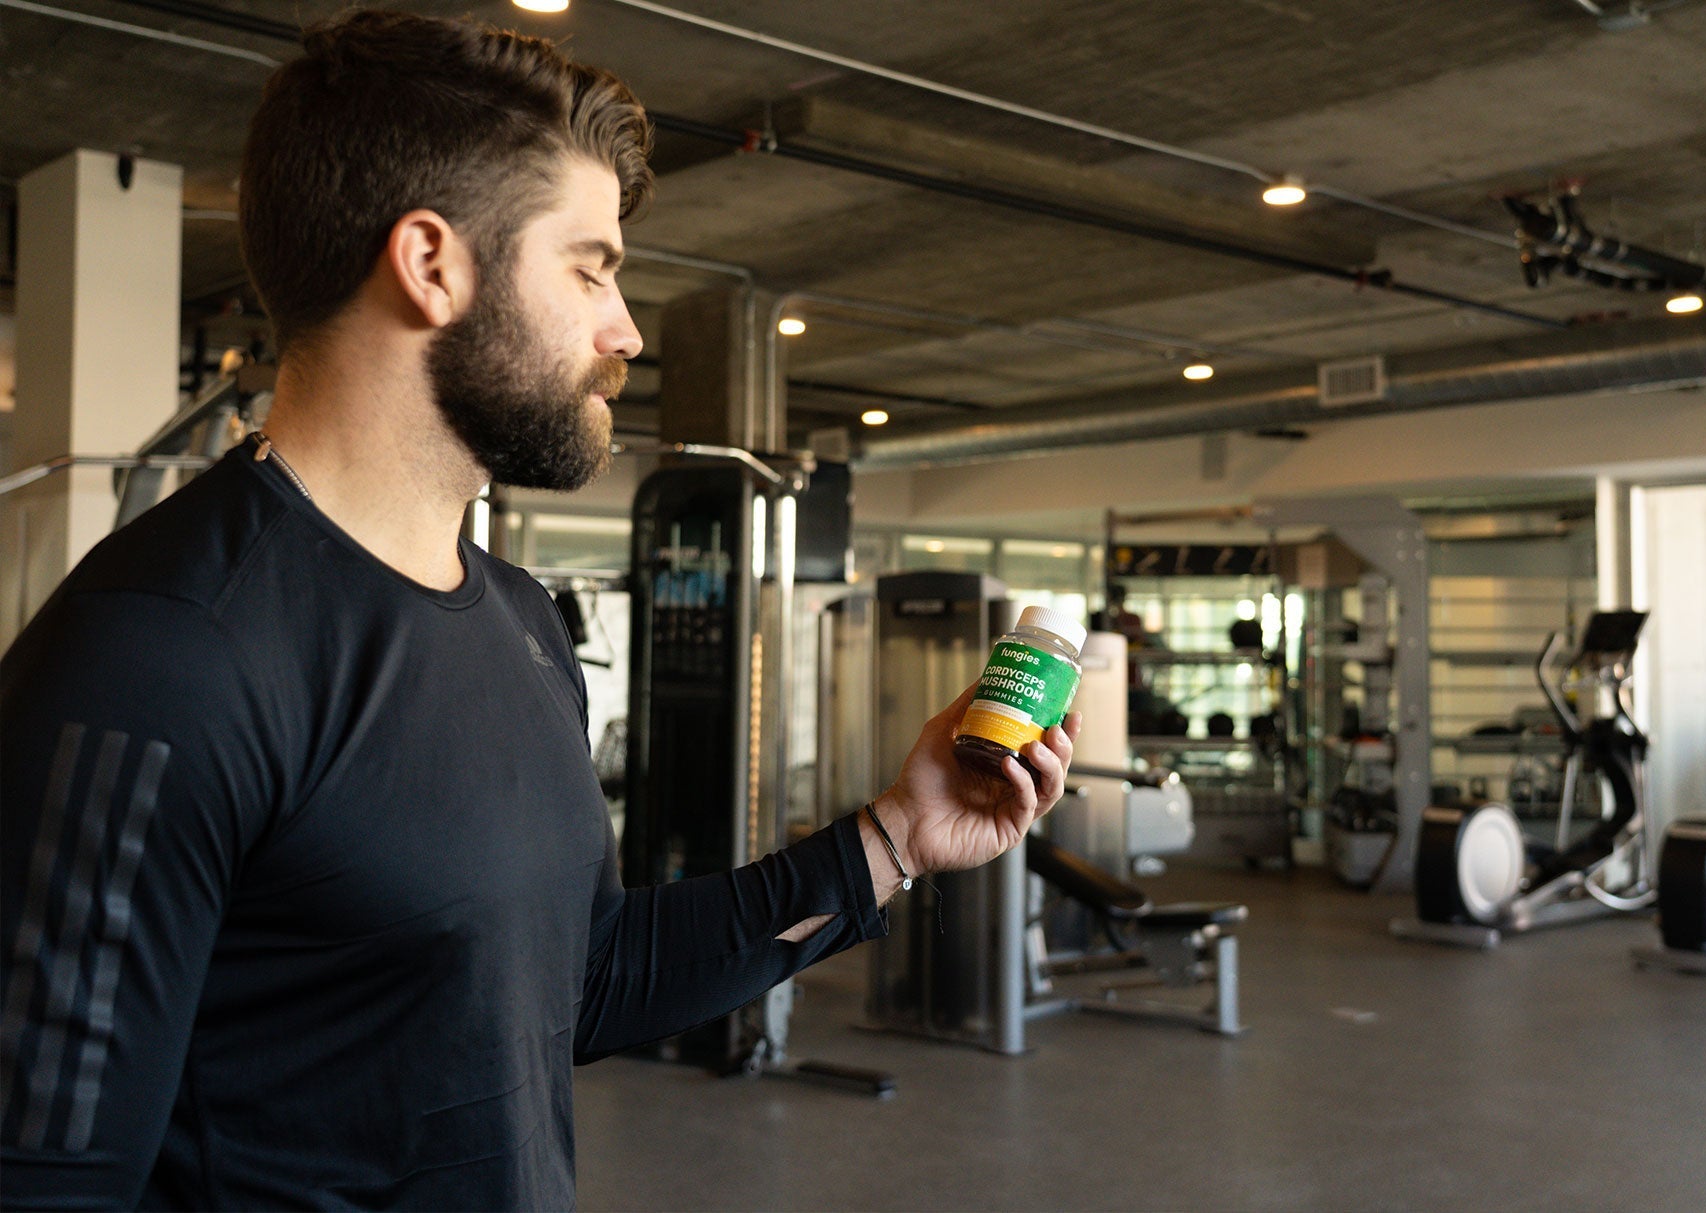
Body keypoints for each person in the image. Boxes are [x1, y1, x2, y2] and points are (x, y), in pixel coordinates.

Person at [0, 10, 1076, 1209]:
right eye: (590, 268)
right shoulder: (165, 651)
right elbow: (44, 1175)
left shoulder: (517, 616)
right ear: (432, 265)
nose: (622, 331)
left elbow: (578, 983)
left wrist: (893, 840)